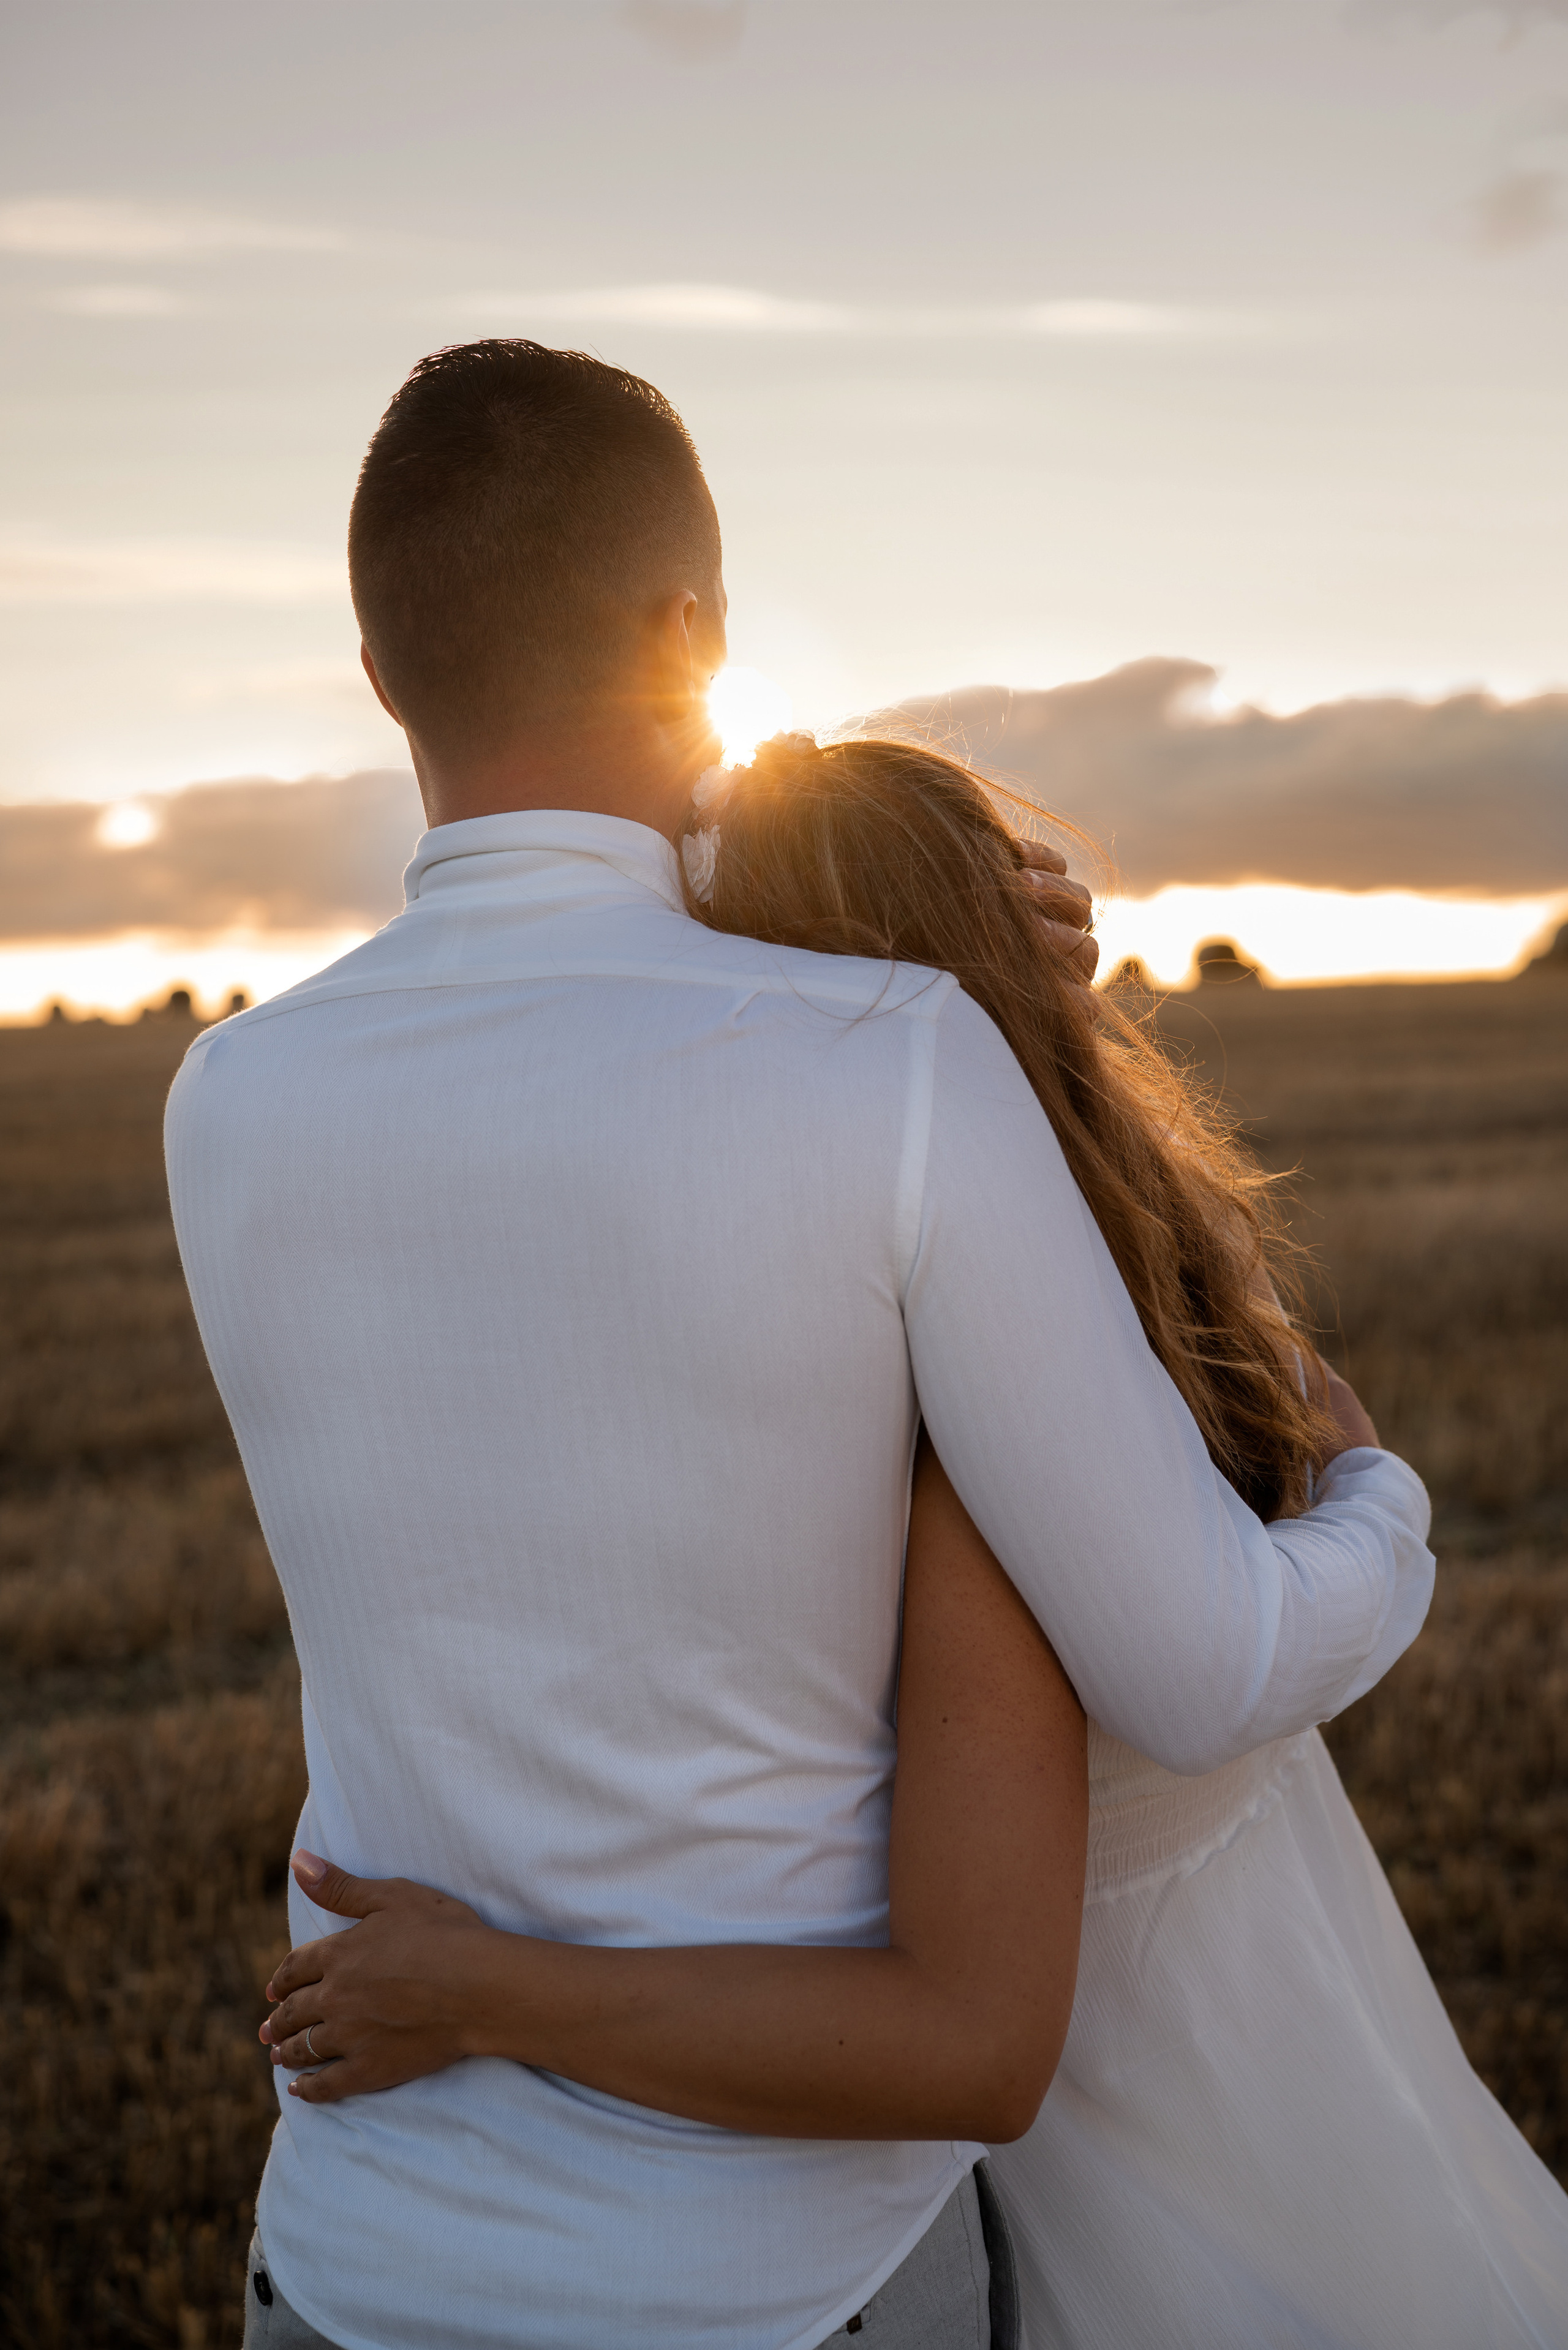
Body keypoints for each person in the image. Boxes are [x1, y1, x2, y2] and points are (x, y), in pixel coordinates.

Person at [165, 340, 1434, 2350]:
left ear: (383, 671)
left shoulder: (228, 1101)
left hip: (342, 2270)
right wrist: (1382, 1504)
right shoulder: (894, 1064)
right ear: (699, 630)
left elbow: (557, 991)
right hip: (780, 2290)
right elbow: (1204, 1667)